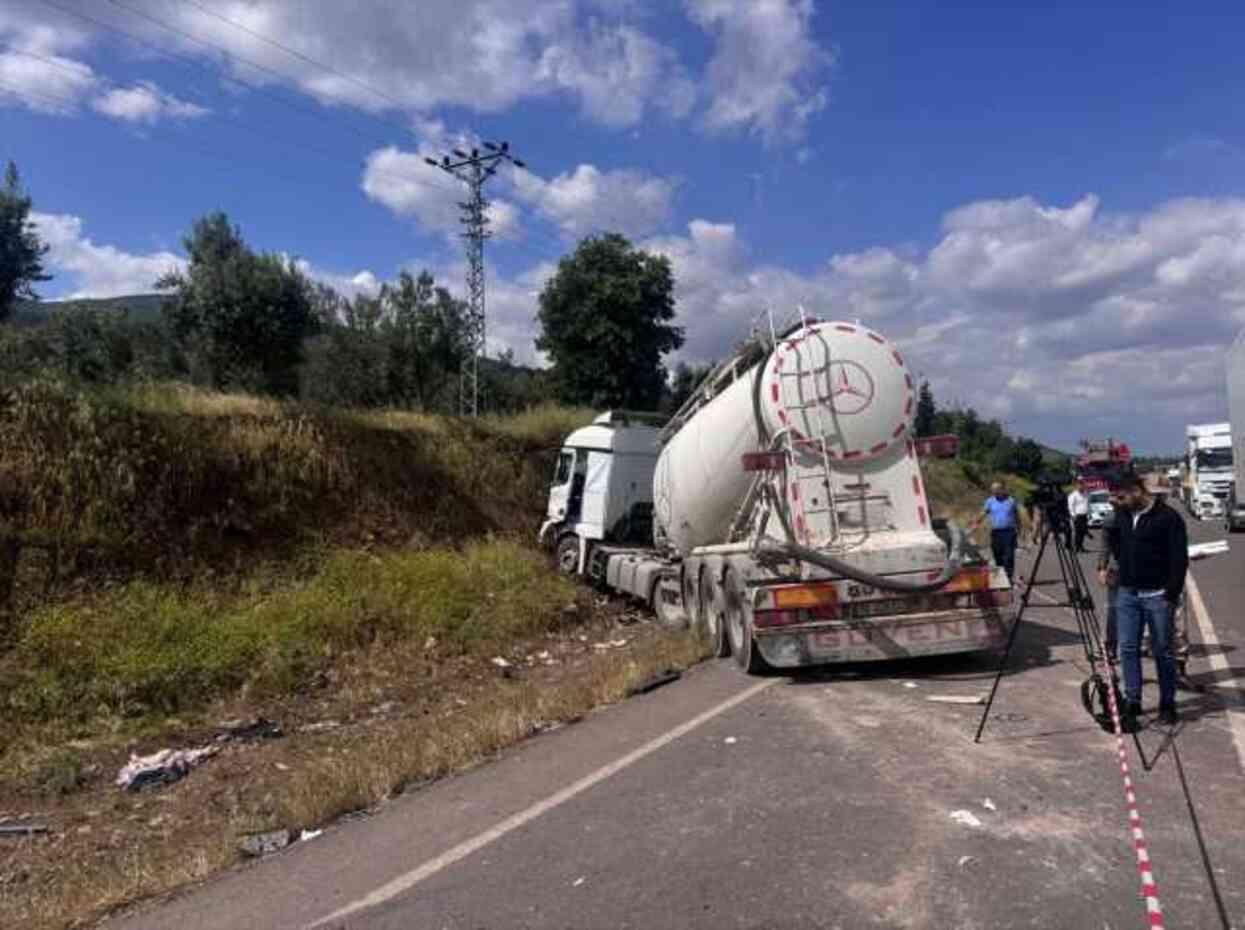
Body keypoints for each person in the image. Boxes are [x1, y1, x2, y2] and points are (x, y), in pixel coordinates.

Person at [1100, 474, 1188, 728]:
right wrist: (1111, 570)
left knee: (1163, 651)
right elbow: (1114, 542)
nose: (1118, 501)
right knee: (1127, 648)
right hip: (1128, 593)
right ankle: (1133, 700)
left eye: (1122, 496)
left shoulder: (1169, 518)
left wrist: (1171, 594)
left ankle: (1167, 705)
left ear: (1137, 491)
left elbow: (1179, 559)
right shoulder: (1123, 516)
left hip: (1158, 595)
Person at [971, 481, 1020, 585]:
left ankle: (1008, 578)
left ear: (1002, 489)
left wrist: (1019, 529)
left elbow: (1017, 516)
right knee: (997, 555)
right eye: (993, 490)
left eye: (996, 490)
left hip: (1009, 532)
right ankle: (1000, 578)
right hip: (996, 532)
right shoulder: (990, 501)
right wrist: (976, 523)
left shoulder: (1011, 501)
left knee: (1008, 556)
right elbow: (983, 512)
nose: (994, 492)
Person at [1095, 490, 1122, 662]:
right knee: (1114, 610)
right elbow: (1104, 546)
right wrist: (1102, 568)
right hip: (1116, 570)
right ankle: (1111, 646)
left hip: (1135, 570)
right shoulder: (1110, 519)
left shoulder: (1136, 517)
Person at [1067, 480, 1090, 552]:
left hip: (1084, 515)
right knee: (1078, 532)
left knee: (1083, 532)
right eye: (1080, 485)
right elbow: (1070, 506)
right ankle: (1077, 547)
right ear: (1076, 486)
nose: (1081, 486)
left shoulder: (1086, 494)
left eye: (1082, 484)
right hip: (1077, 516)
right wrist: (1073, 515)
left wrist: (1088, 514)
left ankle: (1081, 546)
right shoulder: (1073, 495)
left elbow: (1087, 504)